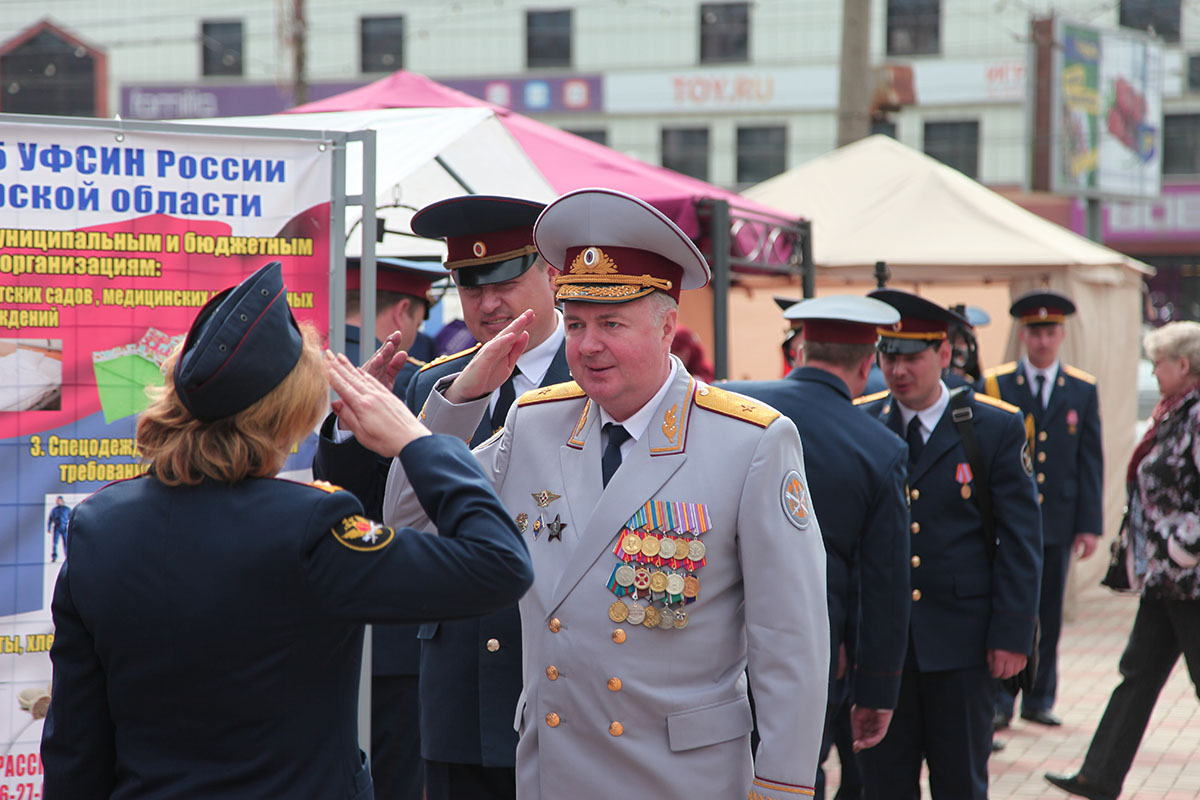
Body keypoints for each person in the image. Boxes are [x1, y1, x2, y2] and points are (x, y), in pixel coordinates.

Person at [373, 188, 829, 800]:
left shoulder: (749, 442)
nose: (588, 346)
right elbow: (412, 520)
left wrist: (782, 788)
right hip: (555, 769)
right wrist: (461, 401)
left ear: (668, 326)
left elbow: (790, 642)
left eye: (612, 324)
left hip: (678, 777)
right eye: (577, 324)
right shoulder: (537, 424)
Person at [40, 261, 533, 799]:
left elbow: (75, 746)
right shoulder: (310, 527)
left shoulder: (99, 526)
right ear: (291, 413)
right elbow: (498, 564)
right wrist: (418, 440)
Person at [407, 195, 569, 800]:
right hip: (459, 678)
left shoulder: (597, 381)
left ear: (553, 275)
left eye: (504, 281)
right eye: (471, 288)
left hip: (554, 673)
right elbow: (397, 507)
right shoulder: (436, 383)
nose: (488, 304)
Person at [854, 289, 1042, 800]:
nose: (897, 370)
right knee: (883, 784)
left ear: (942, 354)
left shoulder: (993, 426)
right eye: (887, 356)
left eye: (911, 357)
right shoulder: (863, 422)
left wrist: (1013, 632)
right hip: (882, 649)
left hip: (961, 644)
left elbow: (1021, 539)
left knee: (960, 780)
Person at [723, 295, 912, 800]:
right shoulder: (881, 448)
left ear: (800, 348)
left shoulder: (731, 407)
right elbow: (884, 589)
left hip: (709, 644)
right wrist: (876, 692)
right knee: (792, 777)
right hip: (808, 655)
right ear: (869, 363)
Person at [1045, 320, 1200, 800]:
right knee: (1137, 673)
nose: (1153, 372)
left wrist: (1181, 548)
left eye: (1158, 363)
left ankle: (1100, 773)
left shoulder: (1196, 415)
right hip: (1167, 580)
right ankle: (1100, 775)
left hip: (1189, 579)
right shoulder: (1175, 412)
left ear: (1184, 364)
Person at [314, 255, 448, 800]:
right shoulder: (414, 381)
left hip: (316, 621)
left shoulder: (293, 371)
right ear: (402, 314)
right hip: (398, 629)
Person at [981, 290, 1103, 731]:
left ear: (1062, 334)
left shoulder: (1082, 389)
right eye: (1035, 332)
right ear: (1023, 335)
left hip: (1057, 520)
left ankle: (1039, 697)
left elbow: (1090, 460)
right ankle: (1000, 700)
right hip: (1006, 521)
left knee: (1048, 613)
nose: (1043, 340)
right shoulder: (995, 384)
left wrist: (1090, 525)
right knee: (1009, 608)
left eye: (1050, 331)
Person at [46, 496, 69, 562]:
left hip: (64, 528)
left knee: (66, 543)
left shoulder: (67, 509)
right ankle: (54, 556)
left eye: (59, 500)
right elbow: (50, 519)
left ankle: (67, 556)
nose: (57, 502)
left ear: (62, 501)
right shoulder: (54, 510)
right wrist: (49, 527)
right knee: (55, 543)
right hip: (57, 528)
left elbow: (72, 517)